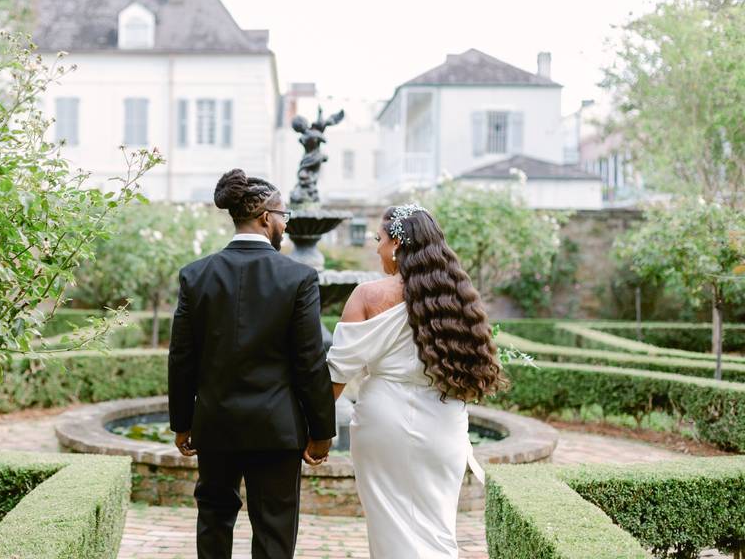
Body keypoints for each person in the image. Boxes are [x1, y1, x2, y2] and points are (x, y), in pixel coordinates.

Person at [168, 168, 337, 559]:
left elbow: (182, 357)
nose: (285, 225)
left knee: (213, 519)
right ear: (266, 218)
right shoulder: (299, 277)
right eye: (284, 217)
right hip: (276, 429)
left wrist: (182, 422)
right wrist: (322, 430)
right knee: (274, 530)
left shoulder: (195, 275)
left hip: (215, 425)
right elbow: (310, 361)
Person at [327, 204, 509, 558]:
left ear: (396, 243)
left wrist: (317, 435)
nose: (376, 248)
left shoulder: (368, 296)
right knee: (438, 527)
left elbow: (337, 372)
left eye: (379, 240)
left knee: (388, 526)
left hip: (383, 423)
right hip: (443, 424)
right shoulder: (457, 297)